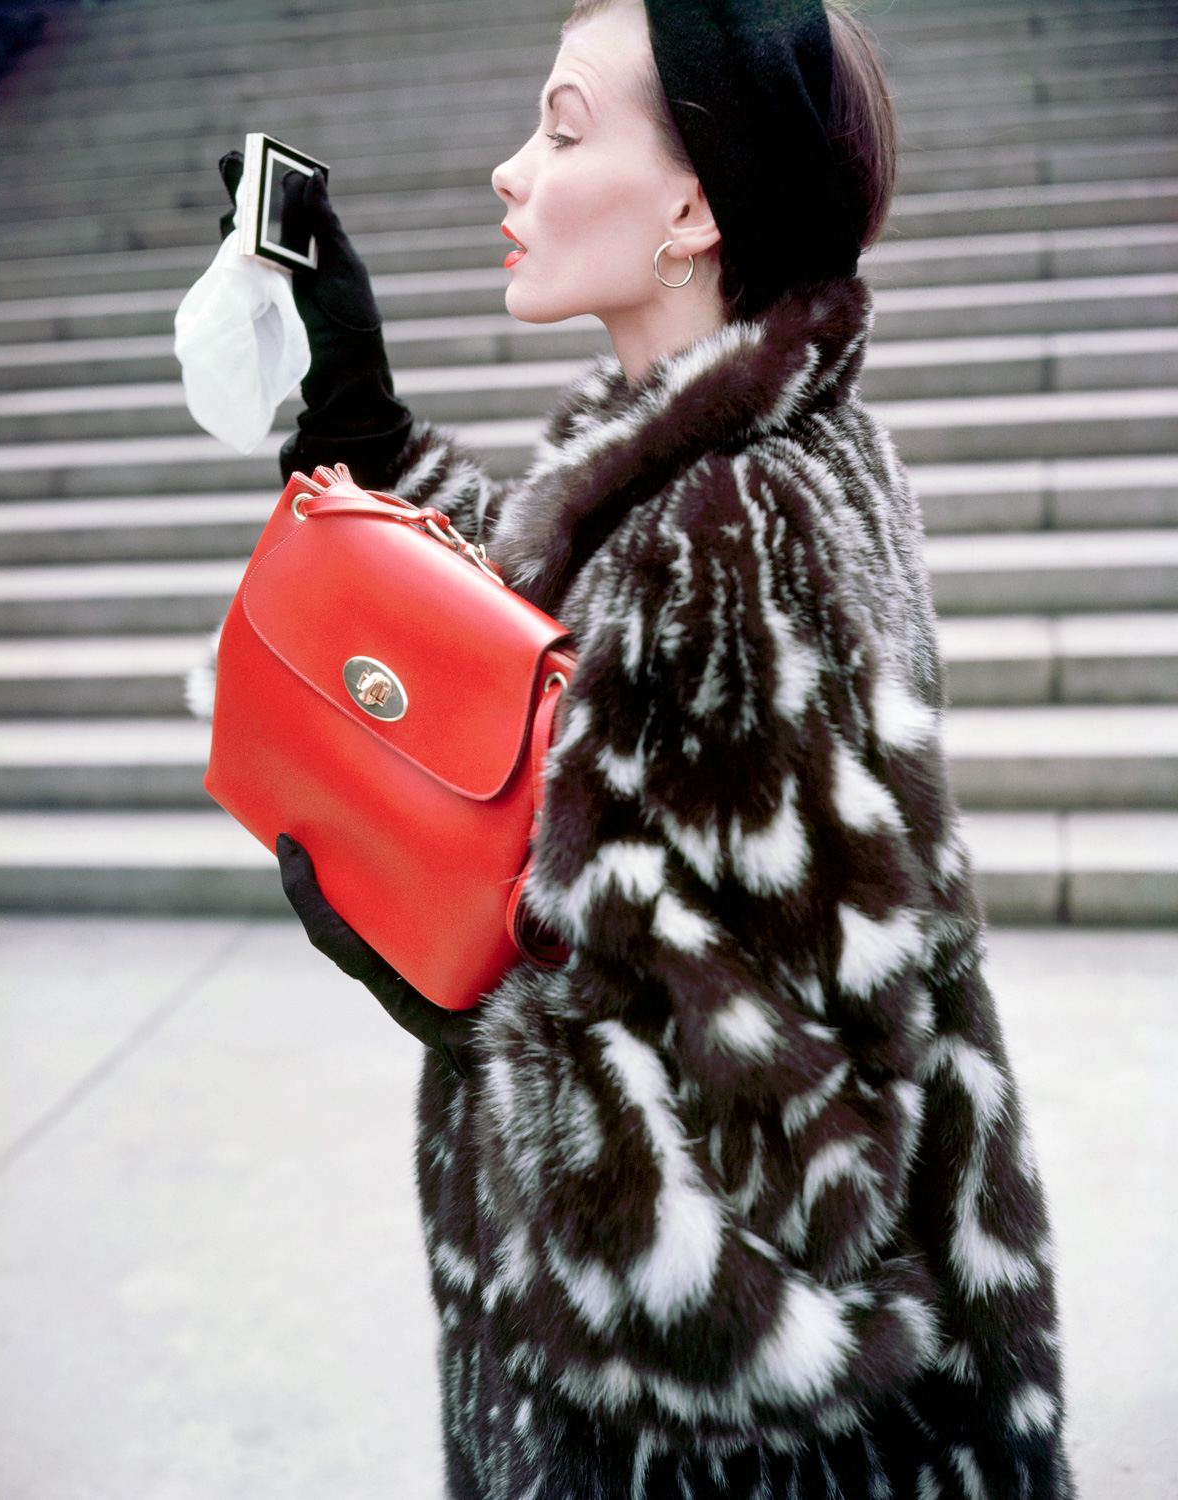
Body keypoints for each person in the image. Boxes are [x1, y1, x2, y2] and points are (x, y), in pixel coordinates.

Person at [219, 1, 1075, 1493]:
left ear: (691, 204)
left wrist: (464, 1010)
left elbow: (784, 1189)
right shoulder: (768, 456)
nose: (510, 170)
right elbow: (572, 657)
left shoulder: (726, 537)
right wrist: (359, 420)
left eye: (560, 127)